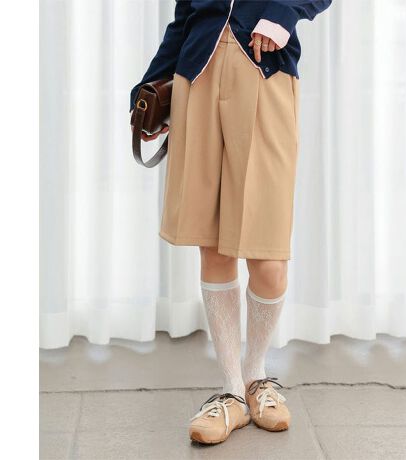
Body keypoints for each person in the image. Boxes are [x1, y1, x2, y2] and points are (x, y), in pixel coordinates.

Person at [130, 0, 332, 445]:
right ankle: (232, 391)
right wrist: (149, 86)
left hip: (266, 72)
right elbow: (185, 16)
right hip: (196, 77)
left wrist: (285, 14)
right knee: (213, 241)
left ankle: (257, 374)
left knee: (268, 254)